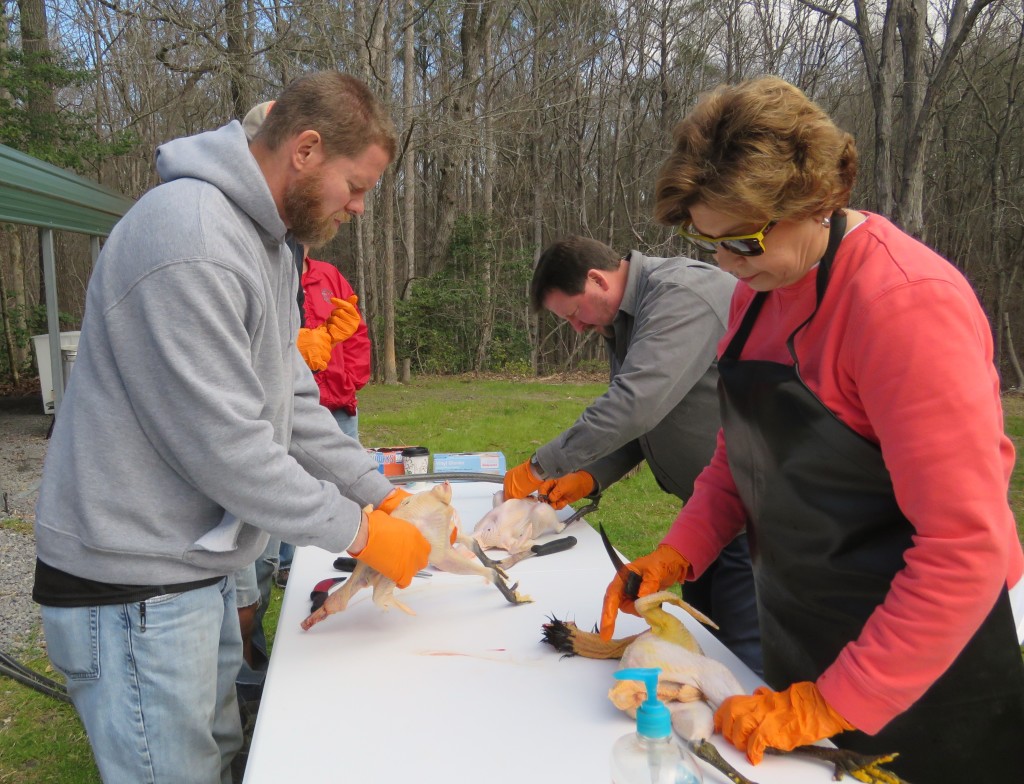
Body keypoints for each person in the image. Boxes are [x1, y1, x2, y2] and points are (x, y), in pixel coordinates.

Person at [600, 76, 1024, 781]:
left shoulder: (905, 308)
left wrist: (829, 704)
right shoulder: (756, 295)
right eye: (709, 243)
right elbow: (739, 463)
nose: (726, 265)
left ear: (818, 199)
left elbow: (965, 549)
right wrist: (678, 555)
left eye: (743, 241)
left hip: (922, 666)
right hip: (807, 637)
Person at [31, 71, 430, 784]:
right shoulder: (190, 237)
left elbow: (294, 402)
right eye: (357, 185)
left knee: (217, 762)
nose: (361, 208)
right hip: (132, 591)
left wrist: (379, 492)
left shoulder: (266, 244)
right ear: (305, 150)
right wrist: (364, 534)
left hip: (188, 571)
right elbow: (229, 450)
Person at [502, 235, 763, 673]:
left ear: (596, 280)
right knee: (708, 640)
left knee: (743, 656)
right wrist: (590, 475)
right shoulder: (623, 321)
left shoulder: (680, 297)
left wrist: (539, 466)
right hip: (707, 514)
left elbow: (635, 404)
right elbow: (651, 420)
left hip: (756, 512)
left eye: (573, 313)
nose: (578, 328)